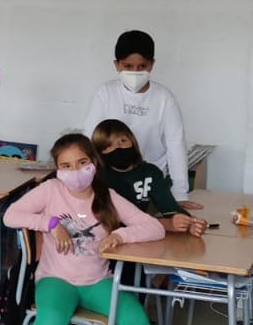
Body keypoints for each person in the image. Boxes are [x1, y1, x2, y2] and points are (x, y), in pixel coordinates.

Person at [2, 134, 165, 325]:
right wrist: (50, 223)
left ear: (94, 162)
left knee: (137, 323)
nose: (75, 172)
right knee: (52, 319)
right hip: (56, 279)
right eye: (66, 166)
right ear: (57, 169)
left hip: (97, 281)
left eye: (82, 163)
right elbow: (10, 216)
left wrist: (120, 235)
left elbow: (155, 228)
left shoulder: (107, 196)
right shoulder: (51, 190)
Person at [83, 30, 195, 204]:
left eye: (142, 66)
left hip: (150, 183)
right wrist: (85, 184)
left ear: (152, 64)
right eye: (128, 66)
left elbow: (176, 146)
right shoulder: (105, 93)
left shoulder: (164, 98)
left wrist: (179, 194)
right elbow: (90, 141)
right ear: (116, 64)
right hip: (110, 180)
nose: (135, 72)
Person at [91, 119, 204, 235]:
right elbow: (110, 223)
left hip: (141, 236)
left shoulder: (150, 173)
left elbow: (170, 208)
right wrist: (166, 224)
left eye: (123, 141)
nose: (119, 147)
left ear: (132, 141)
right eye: (109, 145)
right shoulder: (97, 179)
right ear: (99, 152)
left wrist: (191, 223)